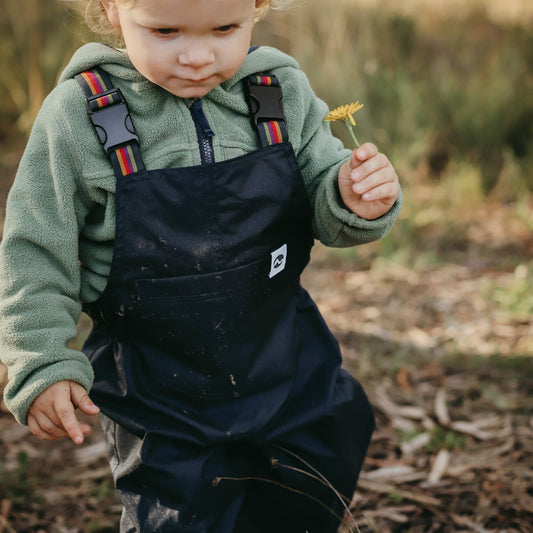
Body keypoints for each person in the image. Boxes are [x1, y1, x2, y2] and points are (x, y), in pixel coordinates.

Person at [0, 0, 401, 531]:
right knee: (181, 513)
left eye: (224, 28)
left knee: (319, 466)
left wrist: (351, 198)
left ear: (256, 10)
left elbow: (323, 193)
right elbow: (35, 250)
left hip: (284, 356)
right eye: (165, 30)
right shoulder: (80, 117)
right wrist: (41, 358)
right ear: (112, 9)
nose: (196, 56)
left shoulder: (276, 92)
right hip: (157, 386)